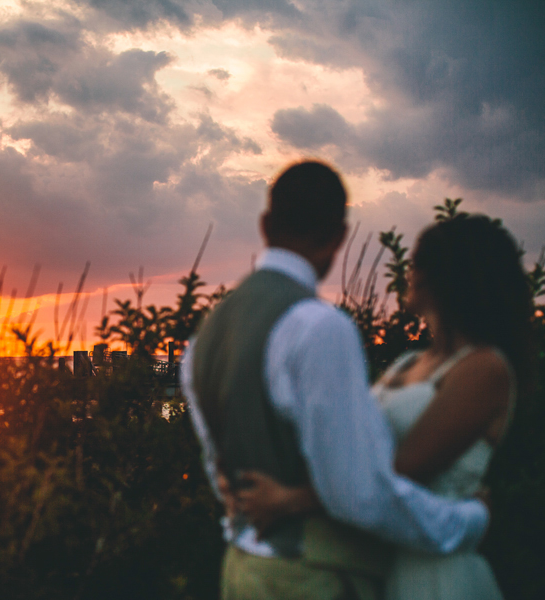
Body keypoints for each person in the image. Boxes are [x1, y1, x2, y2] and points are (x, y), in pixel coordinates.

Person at [181, 160, 490, 600]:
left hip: (241, 571)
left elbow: (224, 479)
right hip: (316, 576)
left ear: (265, 224)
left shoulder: (203, 338)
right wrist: (466, 521)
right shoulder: (319, 327)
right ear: (339, 236)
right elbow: (359, 494)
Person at [224, 214, 532, 599]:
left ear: (441, 275)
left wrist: (289, 500)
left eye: (416, 261)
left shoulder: (485, 368)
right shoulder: (406, 363)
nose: (407, 271)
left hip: (433, 571)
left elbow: (395, 471)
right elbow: (345, 440)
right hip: (375, 563)